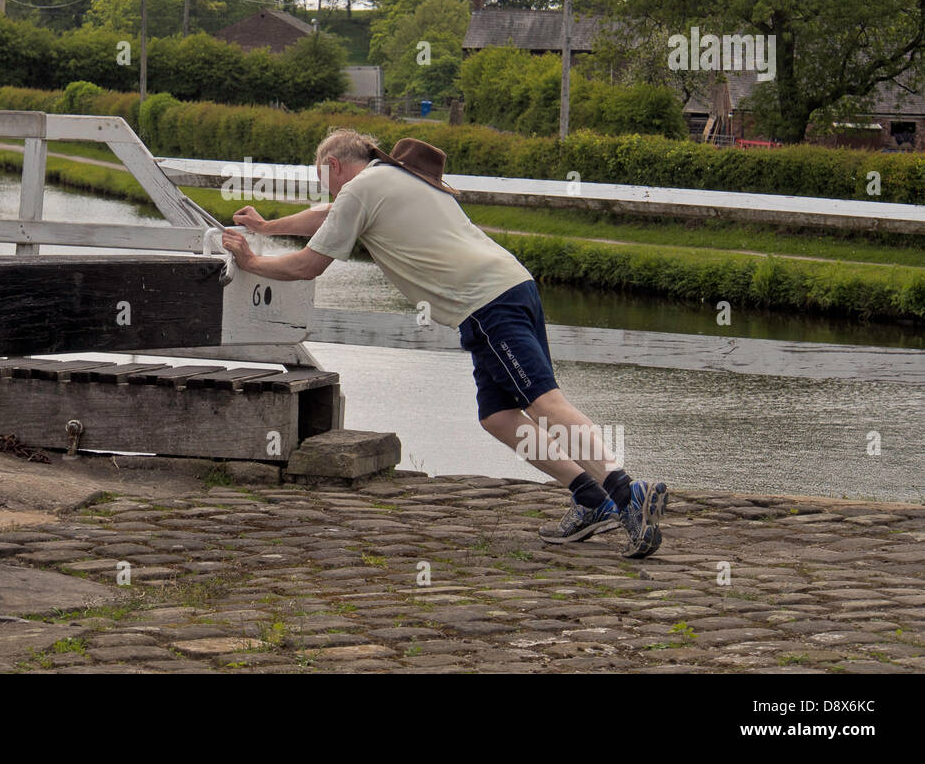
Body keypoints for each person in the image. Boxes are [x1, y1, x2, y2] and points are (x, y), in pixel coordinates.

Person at [221, 127, 668, 558]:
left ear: (333, 165)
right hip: (510, 286)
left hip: (485, 302)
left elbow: (308, 266)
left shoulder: (361, 189)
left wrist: (253, 260)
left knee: (544, 402)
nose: (329, 195)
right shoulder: (396, 178)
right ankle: (590, 498)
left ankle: (627, 490)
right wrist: (269, 223)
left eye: (325, 181)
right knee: (498, 416)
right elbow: (326, 218)